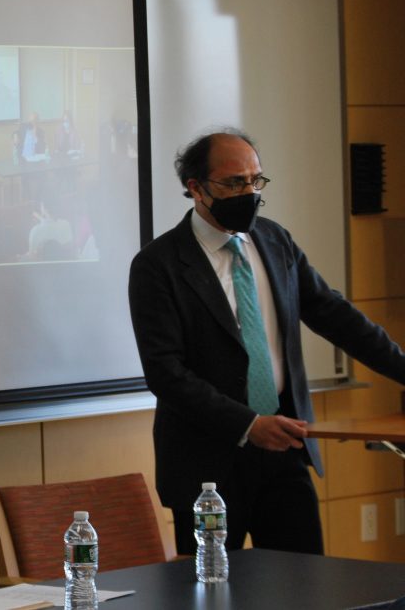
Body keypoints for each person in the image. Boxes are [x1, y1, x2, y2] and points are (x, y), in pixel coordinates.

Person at [128, 129, 405, 556]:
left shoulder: (274, 241)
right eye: (235, 183)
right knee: (213, 595)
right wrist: (247, 425)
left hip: (286, 447)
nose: (250, 192)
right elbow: (166, 373)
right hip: (207, 463)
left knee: (305, 586)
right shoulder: (158, 265)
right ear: (196, 189)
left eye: (257, 180)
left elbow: (335, 316)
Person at [26, 191, 74, 261]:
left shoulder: (35, 230)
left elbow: (32, 258)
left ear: (43, 207)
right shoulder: (66, 224)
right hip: (63, 268)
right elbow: (69, 249)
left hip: (43, 270)